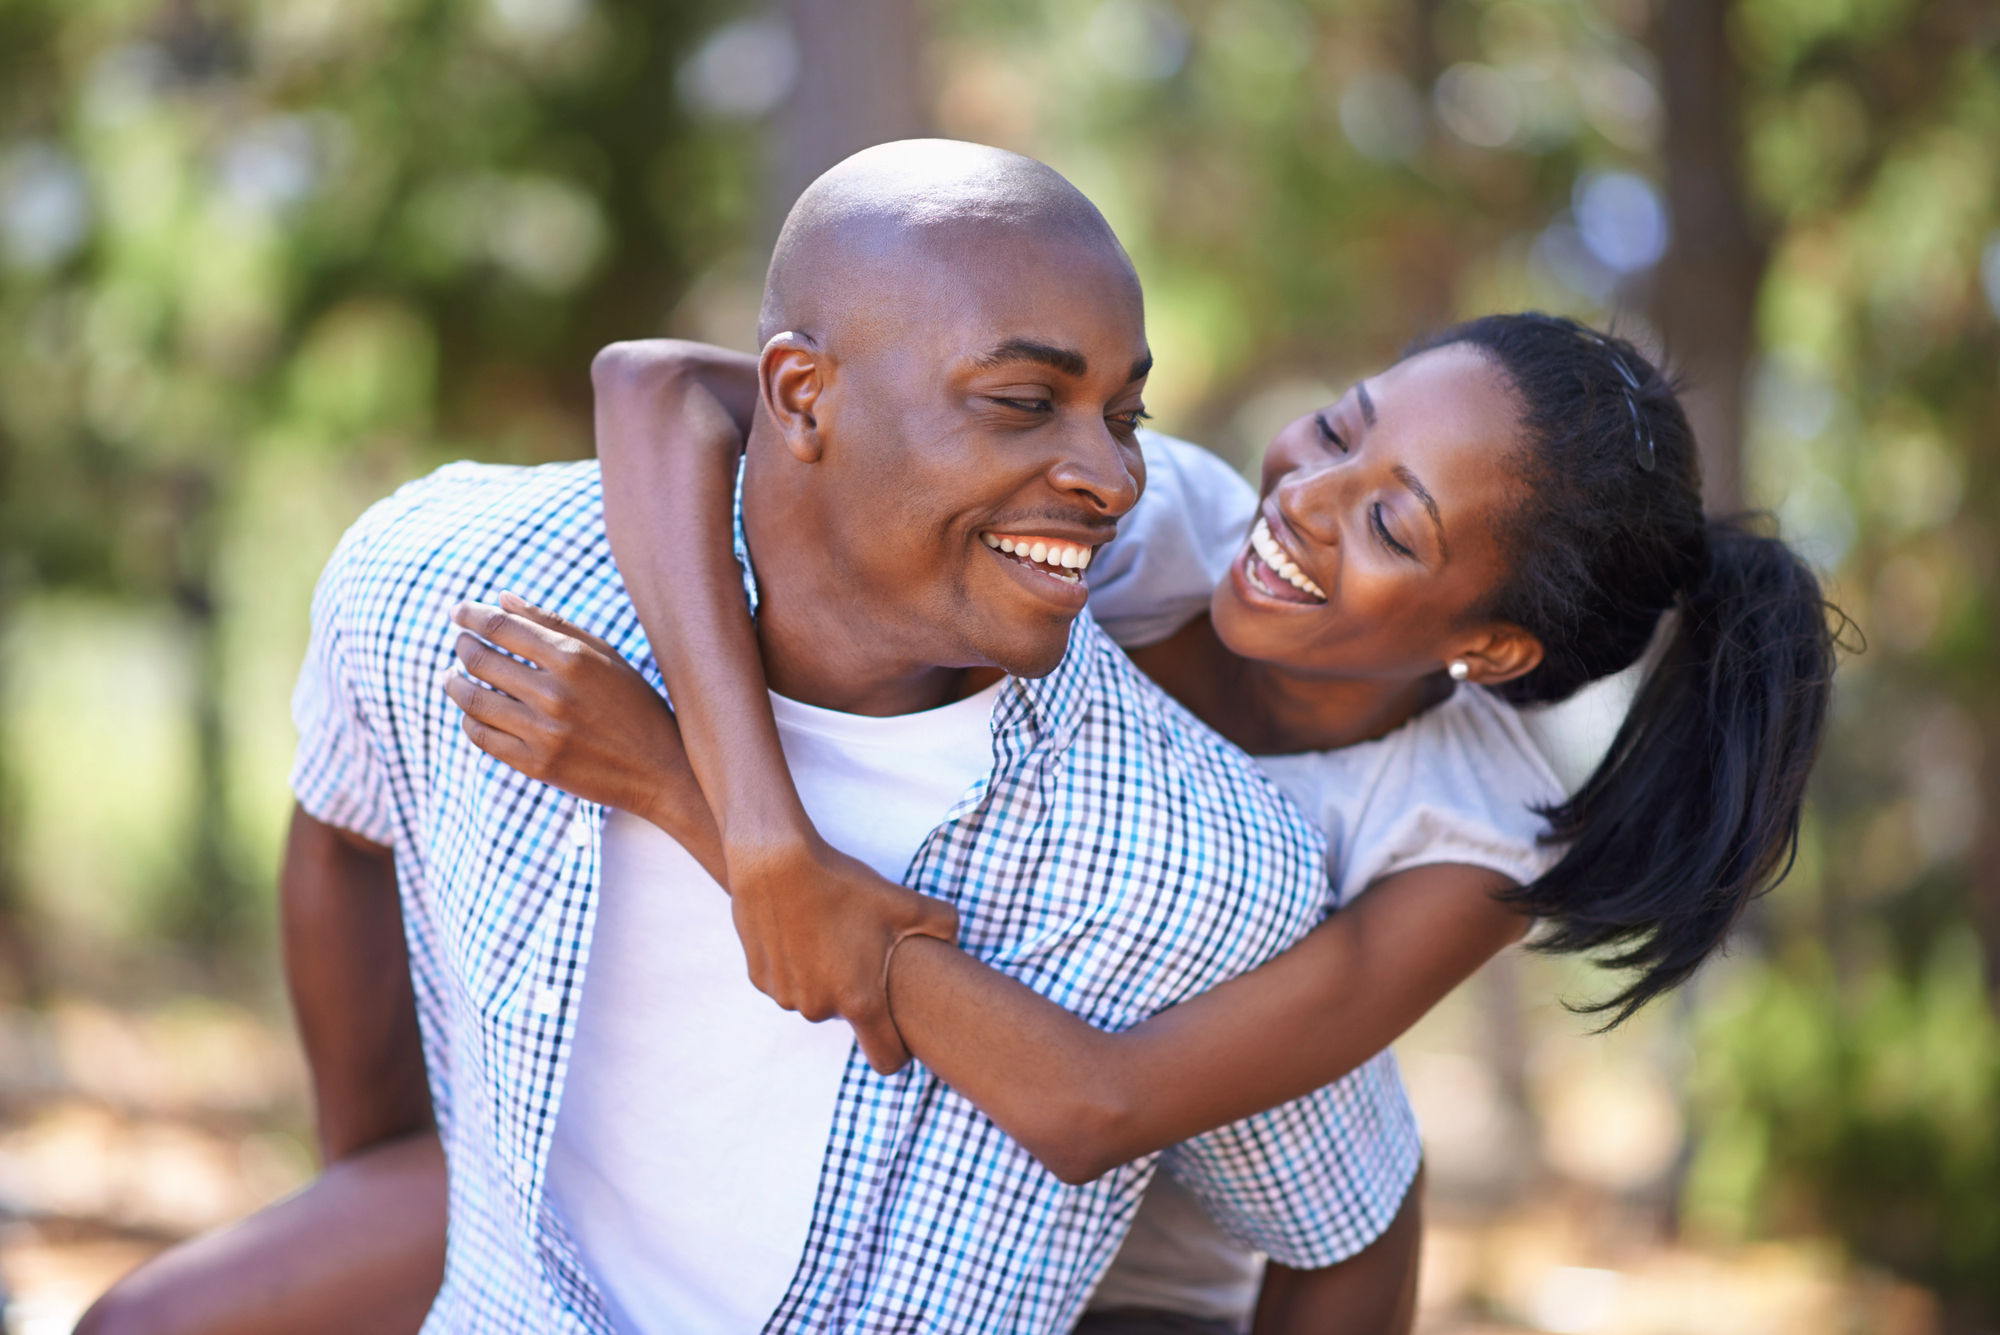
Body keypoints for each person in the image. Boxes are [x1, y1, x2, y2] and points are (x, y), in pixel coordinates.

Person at [84, 140, 1429, 1335]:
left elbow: (1353, 1220)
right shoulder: (454, 584)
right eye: (1026, 403)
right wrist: (390, 1184)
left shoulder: (1196, 868)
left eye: (1126, 414)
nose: (1114, 475)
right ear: (798, 395)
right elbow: (341, 825)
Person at [443, 311, 1839, 1333]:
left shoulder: (1466, 840)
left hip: (1138, 1285)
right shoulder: (1136, 518)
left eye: (1394, 529)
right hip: (850, 1118)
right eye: (1344, 424)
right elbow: (657, 387)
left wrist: (676, 789)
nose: (1303, 498)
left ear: (1490, 647)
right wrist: (755, 821)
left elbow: (1100, 1105)